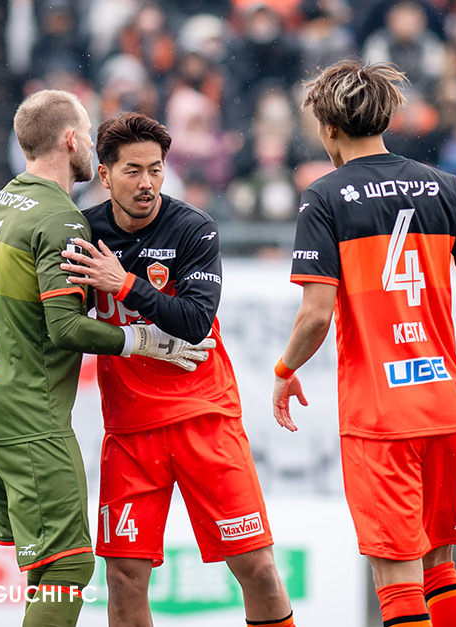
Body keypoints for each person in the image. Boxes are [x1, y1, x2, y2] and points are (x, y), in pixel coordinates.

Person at [270, 61, 456, 627]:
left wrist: (284, 370)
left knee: (397, 580)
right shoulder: (445, 186)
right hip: (442, 406)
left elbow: (315, 316)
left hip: (382, 415)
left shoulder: (325, 197)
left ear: (329, 128)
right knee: (439, 568)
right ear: (386, 119)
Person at [0, 90, 214, 627]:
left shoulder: (6, 199)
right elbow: (66, 327)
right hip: (27, 407)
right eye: (89, 135)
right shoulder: (62, 219)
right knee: (70, 564)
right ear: (72, 140)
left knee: (45, 562)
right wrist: (148, 341)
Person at [58, 111, 295, 627]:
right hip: (130, 431)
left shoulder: (193, 227)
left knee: (257, 569)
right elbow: (61, 324)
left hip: (204, 417)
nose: (147, 183)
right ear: (105, 175)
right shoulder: (83, 231)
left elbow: (194, 321)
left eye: (156, 170)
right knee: (123, 579)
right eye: (133, 171)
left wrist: (124, 284)